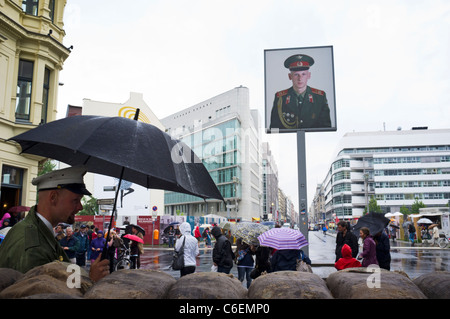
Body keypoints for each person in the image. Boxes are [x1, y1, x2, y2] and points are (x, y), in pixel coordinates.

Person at [0, 166, 109, 282]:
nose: (80, 207)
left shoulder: (39, 231)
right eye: (75, 200)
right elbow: (42, 293)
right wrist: (91, 280)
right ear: (53, 197)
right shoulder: (33, 246)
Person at [269, 54, 332, 130]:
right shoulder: (280, 98)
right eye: (296, 75)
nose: (300, 78)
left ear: (309, 75)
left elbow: (326, 129)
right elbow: (274, 129)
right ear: (290, 76)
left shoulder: (320, 97)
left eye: (303, 74)